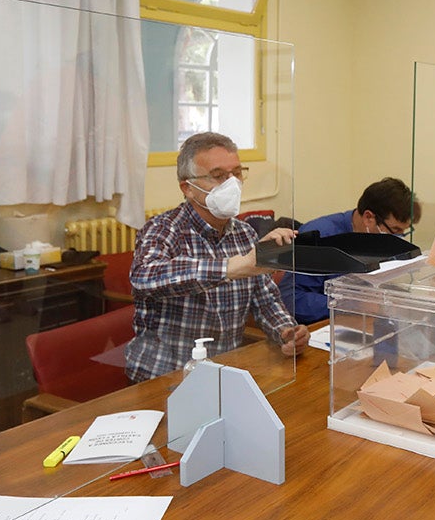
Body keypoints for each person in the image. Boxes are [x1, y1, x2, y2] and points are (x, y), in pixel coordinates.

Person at [126, 132, 310, 381]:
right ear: (188, 188)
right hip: (165, 375)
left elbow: (265, 299)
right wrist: (232, 267)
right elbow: (144, 278)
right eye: (218, 176)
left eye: (237, 173)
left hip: (223, 372)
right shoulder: (164, 229)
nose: (232, 183)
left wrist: (286, 331)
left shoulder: (244, 233)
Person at [279, 177, 420, 324]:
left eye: (403, 232)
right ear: (368, 217)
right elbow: (291, 298)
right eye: (395, 230)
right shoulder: (322, 236)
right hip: (324, 326)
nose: (398, 238)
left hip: (367, 320)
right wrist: (350, 304)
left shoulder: (376, 239)